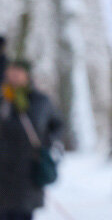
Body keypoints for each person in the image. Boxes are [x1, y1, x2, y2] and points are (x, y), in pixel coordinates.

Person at [0, 59, 64, 220]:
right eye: (11, 72)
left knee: (22, 213)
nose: (14, 77)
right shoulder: (3, 100)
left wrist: (45, 145)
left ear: (27, 75)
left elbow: (57, 126)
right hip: (3, 172)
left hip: (27, 173)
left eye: (18, 72)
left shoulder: (40, 101)